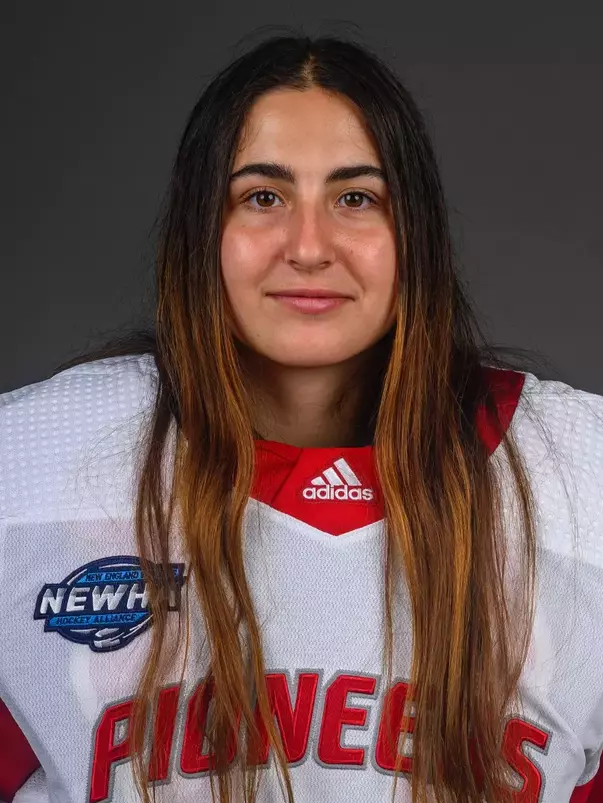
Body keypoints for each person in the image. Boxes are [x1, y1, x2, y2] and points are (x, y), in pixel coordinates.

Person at [1, 32, 602, 803]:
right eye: (262, 196)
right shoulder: (30, 465)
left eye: (356, 198)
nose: (308, 246)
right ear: (199, 231)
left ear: (412, 231)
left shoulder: (576, 473)